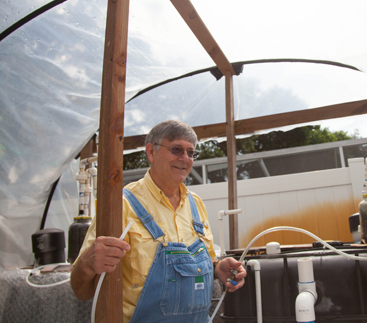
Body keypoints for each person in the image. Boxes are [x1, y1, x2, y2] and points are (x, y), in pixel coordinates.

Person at [71, 119, 246, 323]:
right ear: (151, 152)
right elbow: (80, 291)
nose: (185, 158)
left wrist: (217, 267)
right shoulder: (121, 205)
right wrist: (88, 262)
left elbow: (200, 263)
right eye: (176, 149)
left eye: (191, 153)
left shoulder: (196, 205)